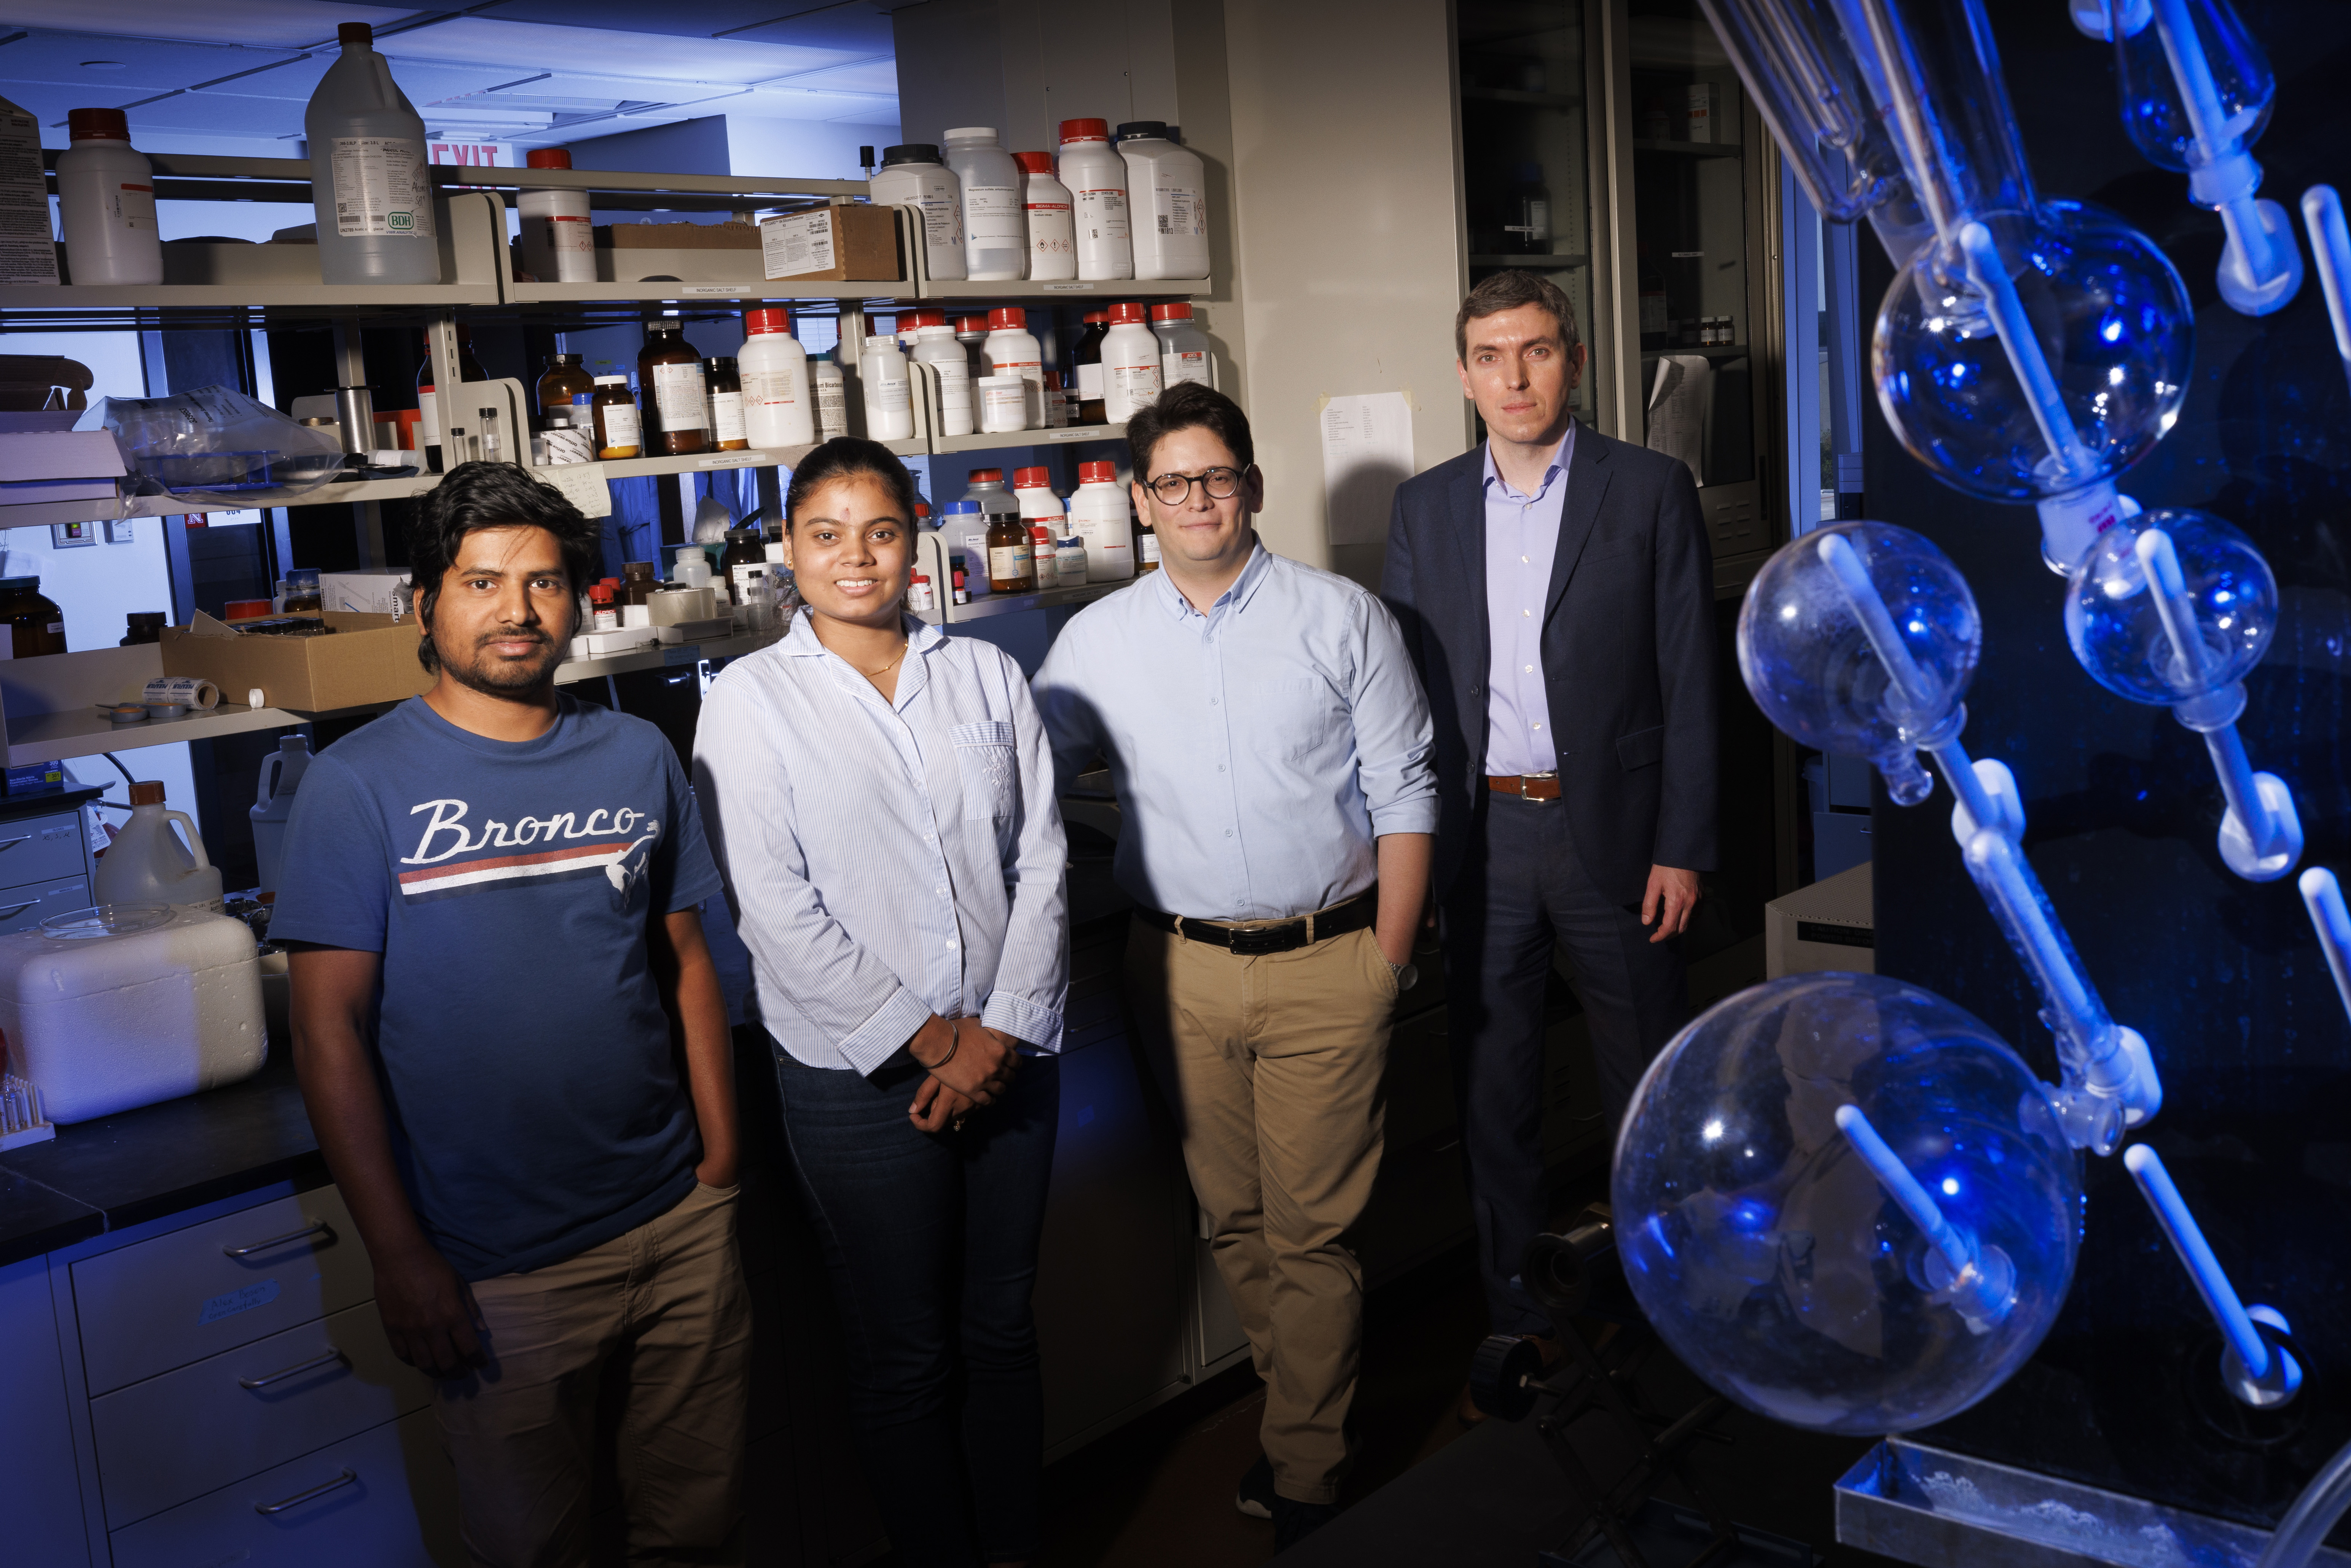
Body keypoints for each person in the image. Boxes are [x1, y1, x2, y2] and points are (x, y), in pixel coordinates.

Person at [275, 462, 748, 1565]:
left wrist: (719, 1161)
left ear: (579, 599)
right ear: (425, 603)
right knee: (531, 1547)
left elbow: (686, 955)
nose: (515, 610)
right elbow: (326, 1031)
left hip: (675, 1222)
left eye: (542, 583)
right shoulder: (358, 784)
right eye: (482, 581)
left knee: (700, 1529)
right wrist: (399, 1254)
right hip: (495, 1265)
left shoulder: (633, 752)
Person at [1032, 384, 1436, 1550]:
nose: (1197, 499)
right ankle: (1299, 1409)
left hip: (1327, 962)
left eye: (1217, 477)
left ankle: (1306, 1462)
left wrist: (1386, 963)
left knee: (1311, 1234)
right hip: (1179, 973)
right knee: (1235, 1219)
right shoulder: (1094, 644)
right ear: (1139, 501)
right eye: (1172, 482)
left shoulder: (1339, 616)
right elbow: (1027, 780)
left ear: (1250, 487)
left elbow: (1407, 789)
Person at [692, 438, 1068, 1568]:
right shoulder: (750, 702)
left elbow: (1040, 859)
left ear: (915, 540)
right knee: (904, 1354)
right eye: (826, 533)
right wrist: (934, 1037)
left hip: (1011, 1055)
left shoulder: (986, 673)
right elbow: (774, 908)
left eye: (881, 530)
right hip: (859, 1081)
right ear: (788, 551)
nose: (856, 558)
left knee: (1001, 1331)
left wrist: (997, 1028)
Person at [1383, 269, 1717, 1406]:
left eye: (1533, 351)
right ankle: (1523, 1321)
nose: (1513, 376)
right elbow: (1409, 703)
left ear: (1570, 359)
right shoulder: (1423, 508)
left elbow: (1689, 677)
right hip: (1482, 834)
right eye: (1489, 355)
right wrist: (1416, 853)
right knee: (1494, 1093)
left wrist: (1684, 840)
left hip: (1615, 834)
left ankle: (1658, 1307)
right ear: (1464, 370)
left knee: (1647, 1089)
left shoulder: (1650, 487)